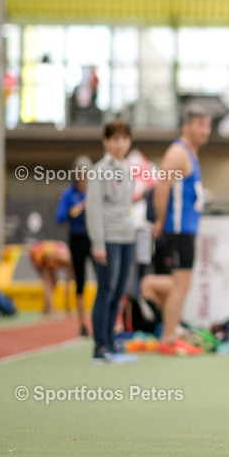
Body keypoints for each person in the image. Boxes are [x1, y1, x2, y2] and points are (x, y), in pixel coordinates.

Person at [151, 104, 211, 356]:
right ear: (186, 127)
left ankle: (171, 331)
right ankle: (168, 336)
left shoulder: (191, 154)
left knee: (182, 284)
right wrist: (159, 220)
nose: (205, 131)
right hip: (177, 229)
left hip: (187, 228)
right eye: (199, 125)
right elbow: (162, 187)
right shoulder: (178, 153)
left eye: (207, 125)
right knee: (180, 284)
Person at [85, 121, 138, 364]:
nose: (120, 144)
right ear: (106, 141)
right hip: (108, 238)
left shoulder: (128, 168)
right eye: (115, 139)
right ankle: (100, 347)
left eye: (124, 139)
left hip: (127, 236)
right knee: (105, 291)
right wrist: (98, 243)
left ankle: (111, 340)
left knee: (118, 293)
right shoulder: (99, 170)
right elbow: (93, 209)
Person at [56, 156, 93, 336]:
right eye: (81, 175)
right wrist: (76, 209)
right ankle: (83, 323)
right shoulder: (69, 194)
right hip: (77, 239)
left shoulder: (94, 192)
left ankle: (105, 320)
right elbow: (60, 217)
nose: (83, 178)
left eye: (86, 174)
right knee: (80, 281)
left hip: (95, 238)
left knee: (105, 278)